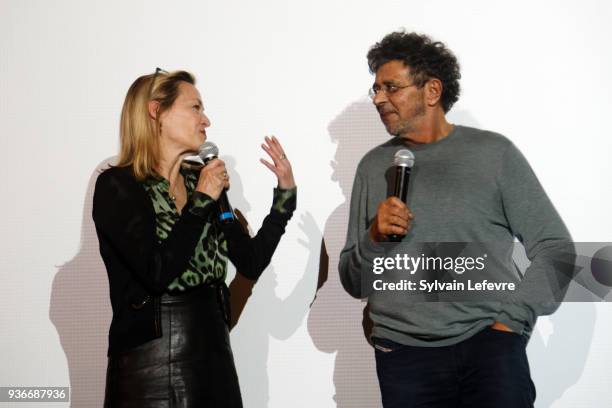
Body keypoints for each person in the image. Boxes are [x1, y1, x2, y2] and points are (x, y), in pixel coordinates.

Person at [338, 31, 574, 407]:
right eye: (375, 89)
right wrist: (373, 238)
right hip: (403, 357)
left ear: (432, 91)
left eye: (391, 87)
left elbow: (556, 250)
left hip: (490, 347)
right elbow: (353, 282)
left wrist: (513, 321)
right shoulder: (372, 168)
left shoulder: (494, 154)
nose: (379, 99)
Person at [92, 68, 296, 407]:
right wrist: (202, 201)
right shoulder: (118, 186)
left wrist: (284, 200)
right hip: (150, 367)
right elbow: (156, 273)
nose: (206, 120)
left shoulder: (199, 182)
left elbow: (250, 261)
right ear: (156, 111)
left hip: (213, 356)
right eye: (195, 108)